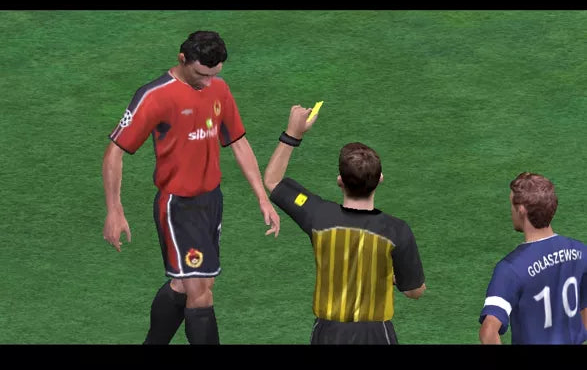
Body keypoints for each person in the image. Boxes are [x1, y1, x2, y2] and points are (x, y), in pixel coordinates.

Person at [102, 30, 280, 345]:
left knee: (188, 285)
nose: (207, 82)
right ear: (182, 59)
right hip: (178, 206)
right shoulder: (154, 96)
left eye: (214, 74)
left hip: (211, 202)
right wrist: (114, 210)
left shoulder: (219, 89)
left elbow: (238, 142)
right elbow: (114, 152)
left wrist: (262, 198)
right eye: (201, 74)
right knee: (200, 292)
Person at [263, 105, 426, 344]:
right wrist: (392, 276)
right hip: (377, 335)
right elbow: (414, 290)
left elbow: (272, 180)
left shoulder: (318, 215)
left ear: (340, 181)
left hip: (328, 334)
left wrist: (293, 134)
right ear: (380, 180)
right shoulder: (396, 231)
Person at [479, 172, 587, 344]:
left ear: (521, 209)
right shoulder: (581, 252)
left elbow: (488, 332)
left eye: (512, 204)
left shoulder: (510, 269)